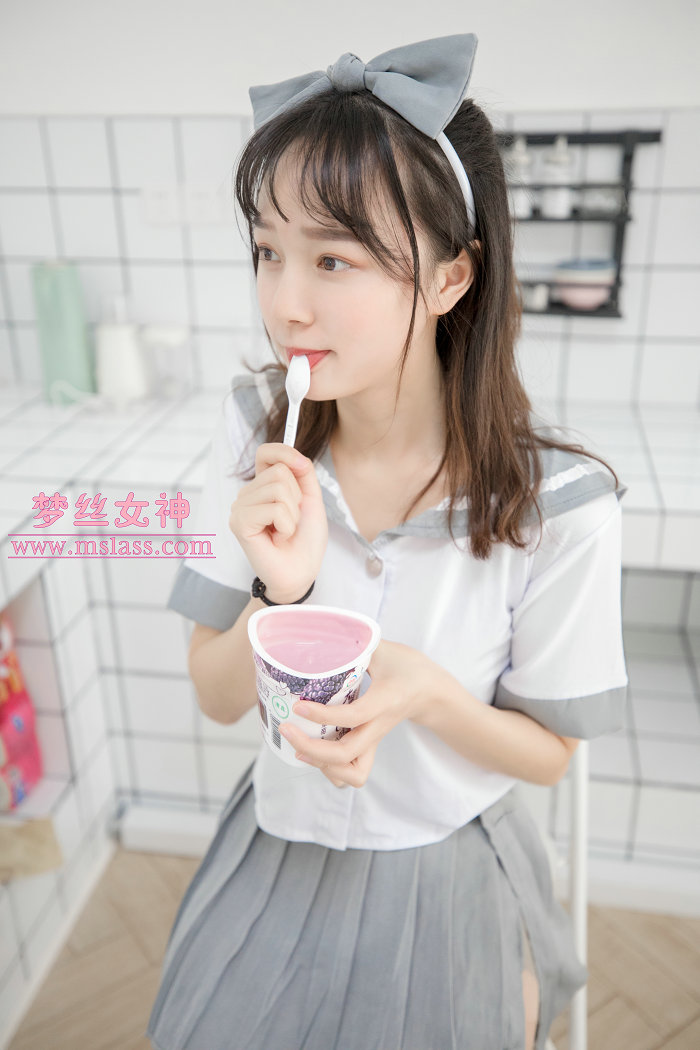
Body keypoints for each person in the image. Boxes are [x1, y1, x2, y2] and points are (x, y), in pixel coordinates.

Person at [147, 33, 628, 1050]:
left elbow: (548, 756)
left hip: (450, 865)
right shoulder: (253, 431)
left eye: (333, 259)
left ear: (450, 279)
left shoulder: (559, 507)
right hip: (280, 843)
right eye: (268, 252)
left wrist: (425, 692)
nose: (285, 304)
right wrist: (280, 596)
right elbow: (217, 694)